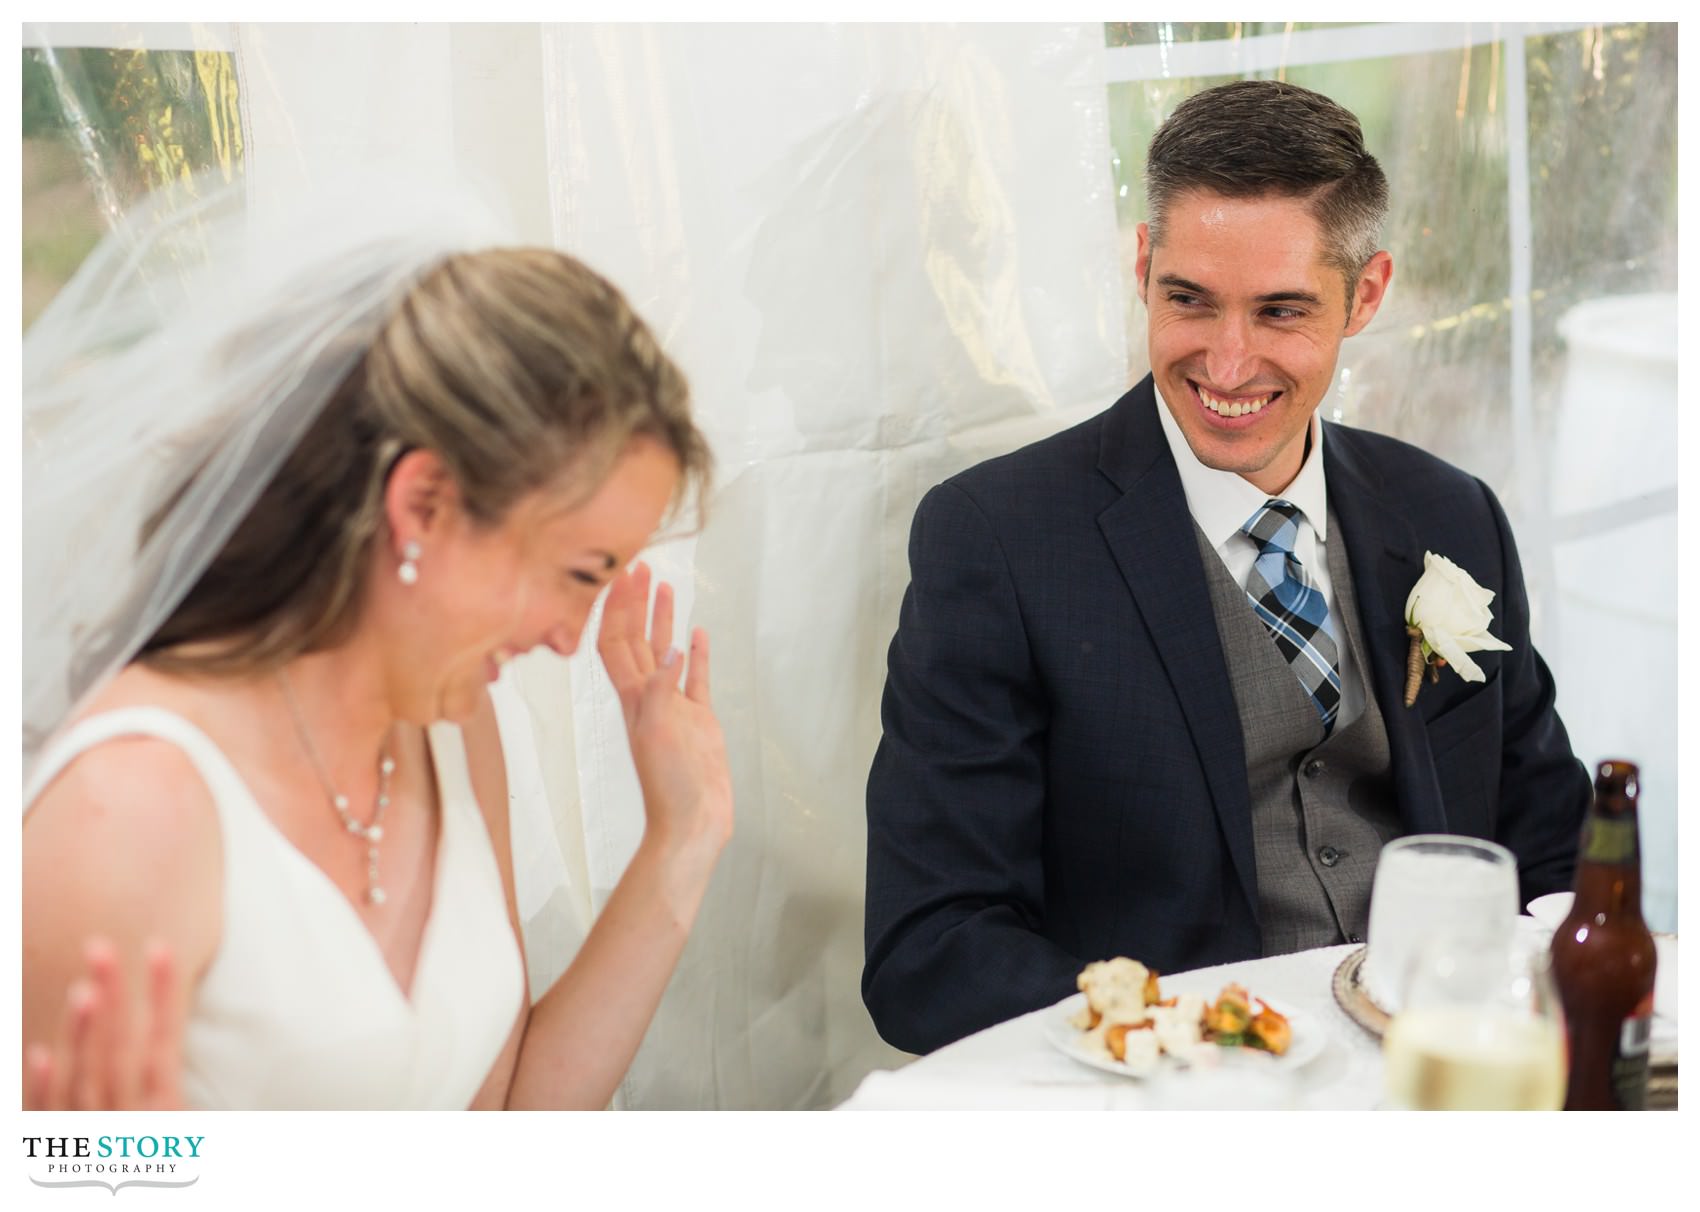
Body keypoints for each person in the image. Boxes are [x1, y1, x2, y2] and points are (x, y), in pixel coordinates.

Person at [862, 80, 1590, 1055]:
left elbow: (1551, 855)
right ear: (1140, 264)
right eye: (1189, 301)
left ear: (1364, 295)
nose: (1228, 362)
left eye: (1280, 311)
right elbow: (930, 949)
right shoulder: (997, 539)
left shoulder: (1448, 513)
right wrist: (1188, 1042)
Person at [21, 171, 732, 1109]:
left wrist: (684, 838)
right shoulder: (132, 811)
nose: (572, 640)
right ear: (424, 503)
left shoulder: (453, 727)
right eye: (578, 574)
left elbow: (501, 1126)